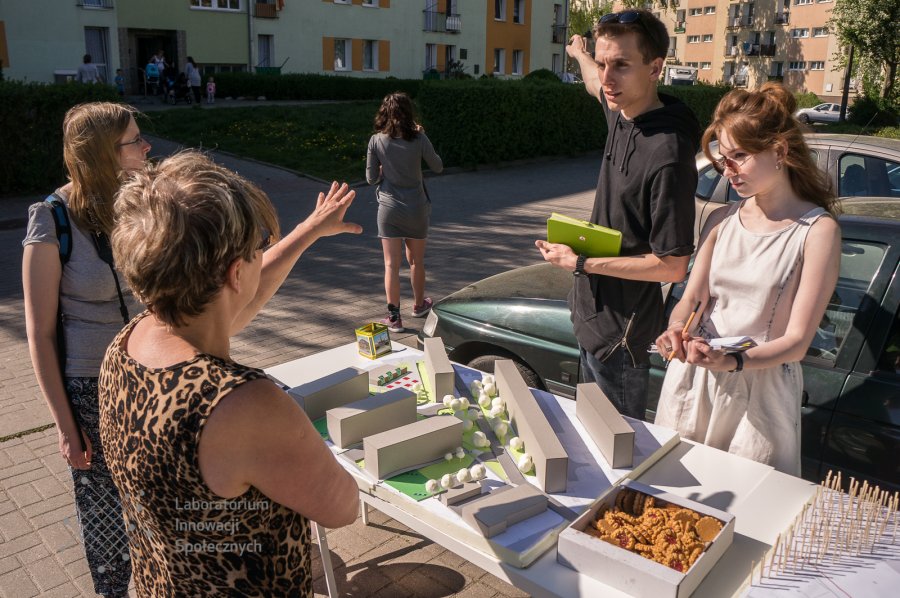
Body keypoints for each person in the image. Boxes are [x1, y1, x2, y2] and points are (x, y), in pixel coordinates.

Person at [98, 151, 361, 596]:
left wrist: (307, 231)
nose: (262, 252)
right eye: (258, 246)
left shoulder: (130, 343)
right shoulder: (242, 403)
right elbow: (342, 507)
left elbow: (236, 303)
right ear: (236, 272)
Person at [653, 83, 841, 476]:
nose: (728, 169)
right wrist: (674, 330)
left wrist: (733, 361)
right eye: (724, 157)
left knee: (748, 510)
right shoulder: (721, 220)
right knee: (673, 498)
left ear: (780, 151)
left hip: (761, 393)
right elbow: (691, 300)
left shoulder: (817, 231)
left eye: (740, 155)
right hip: (695, 378)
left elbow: (796, 342)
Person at [535, 10, 701, 420]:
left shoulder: (669, 154)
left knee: (618, 457)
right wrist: (579, 52)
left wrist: (581, 263)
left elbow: (673, 266)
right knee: (590, 440)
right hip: (590, 320)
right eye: (605, 62)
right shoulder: (622, 111)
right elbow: (593, 81)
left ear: (655, 67)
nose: (608, 78)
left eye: (622, 65)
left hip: (620, 343)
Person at [23, 102, 150, 597]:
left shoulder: (137, 203)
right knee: (105, 517)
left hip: (147, 376)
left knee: (158, 499)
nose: (146, 147)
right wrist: (65, 427)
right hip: (90, 391)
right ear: (101, 153)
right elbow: (40, 333)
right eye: (134, 141)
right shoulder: (50, 218)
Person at [366, 92, 443, 333]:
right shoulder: (419, 138)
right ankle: (419, 306)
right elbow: (438, 166)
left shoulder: (376, 141)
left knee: (391, 265)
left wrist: (382, 170)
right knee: (416, 262)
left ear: (384, 113)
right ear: (409, 112)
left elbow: (370, 179)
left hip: (388, 210)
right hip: (417, 208)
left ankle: (394, 318)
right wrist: (422, 136)